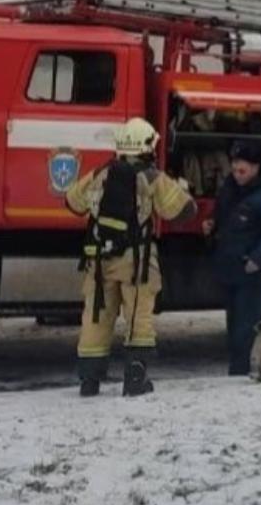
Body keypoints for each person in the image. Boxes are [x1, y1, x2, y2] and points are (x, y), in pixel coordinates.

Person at [65, 118, 196, 397]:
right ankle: (135, 380)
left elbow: (72, 202)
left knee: (96, 316)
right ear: (147, 145)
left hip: (99, 261)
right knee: (138, 317)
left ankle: (89, 382)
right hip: (135, 262)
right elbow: (184, 210)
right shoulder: (151, 177)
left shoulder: (102, 171)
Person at [206, 141, 261, 378]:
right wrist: (211, 225)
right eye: (234, 170)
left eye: (242, 171)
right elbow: (222, 217)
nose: (237, 175)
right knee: (234, 325)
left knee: (246, 327)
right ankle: (237, 367)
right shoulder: (230, 188)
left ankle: (241, 372)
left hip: (252, 272)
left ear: (256, 168)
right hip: (231, 268)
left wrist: (257, 259)